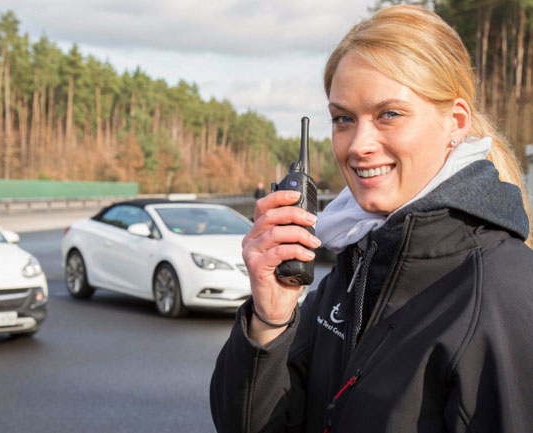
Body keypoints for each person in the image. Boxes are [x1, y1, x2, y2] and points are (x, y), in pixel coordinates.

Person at [210, 5, 533, 433]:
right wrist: (270, 318)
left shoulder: (501, 291)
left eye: (389, 114)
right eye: (343, 119)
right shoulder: (356, 259)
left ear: (454, 122)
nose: (358, 144)